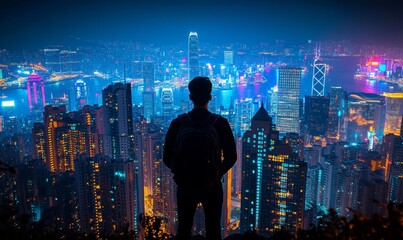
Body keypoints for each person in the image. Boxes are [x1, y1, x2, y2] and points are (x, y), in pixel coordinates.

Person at [163, 76, 237, 240]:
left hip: (185, 186)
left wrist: (182, 175)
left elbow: (166, 157)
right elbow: (232, 157)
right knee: (213, 231)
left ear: (190, 97)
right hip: (212, 186)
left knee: (183, 230)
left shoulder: (178, 123)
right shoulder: (220, 123)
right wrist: (216, 175)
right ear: (210, 97)